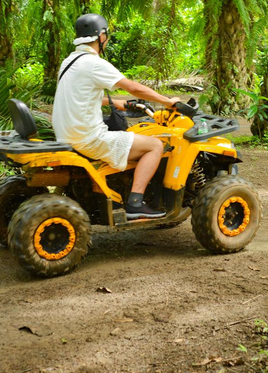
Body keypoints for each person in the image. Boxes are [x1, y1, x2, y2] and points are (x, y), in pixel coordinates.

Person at [52, 13, 180, 220]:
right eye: (107, 36)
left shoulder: (69, 61)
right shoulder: (94, 63)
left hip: (66, 135)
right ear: (101, 36)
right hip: (88, 139)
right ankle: (136, 202)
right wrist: (167, 101)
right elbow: (132, 87)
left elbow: (78, 95)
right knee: (155, 146)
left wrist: (114, 103)